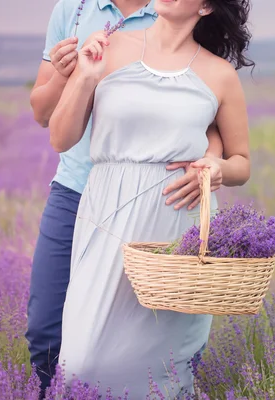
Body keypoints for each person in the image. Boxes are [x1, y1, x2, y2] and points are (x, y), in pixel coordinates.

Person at [48, 0, 253, 396]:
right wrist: (86, 78)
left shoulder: (220, 74)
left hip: (174, 227)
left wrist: (216, 169)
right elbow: (60, 137)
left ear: (207, 7)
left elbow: (241, 161)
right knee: (82, 360)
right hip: (107, 216)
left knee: (159, 368)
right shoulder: (109, 47)